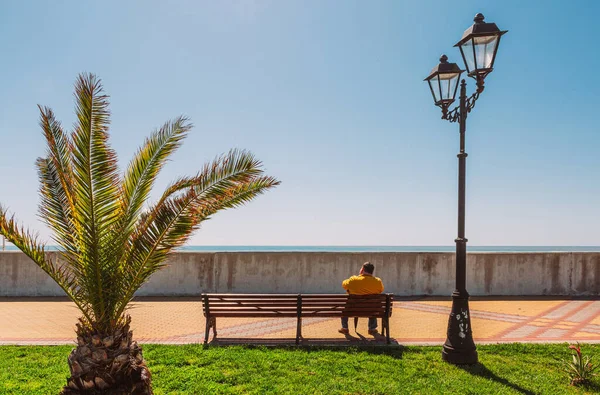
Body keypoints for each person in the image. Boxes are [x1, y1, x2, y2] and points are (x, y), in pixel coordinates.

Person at [338, 261, 384, 335]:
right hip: (370, 310)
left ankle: (345, 328)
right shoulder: (378, 281)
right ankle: (372, 328)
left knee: (345, 309)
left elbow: (344, 284)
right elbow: (380, 290)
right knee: (373, 305)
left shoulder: (353, 280)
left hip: (352, 309)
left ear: (362, 269)